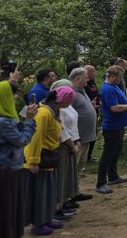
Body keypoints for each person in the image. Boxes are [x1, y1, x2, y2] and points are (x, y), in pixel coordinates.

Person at [24, 84, 76, 236]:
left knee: (49, 192)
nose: (69, 105)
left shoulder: (54, 111)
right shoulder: (44, 114)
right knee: (41, 192)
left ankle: (47, 218)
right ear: (62, 101)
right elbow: (35, 137)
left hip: (50, 157)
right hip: (41, 158)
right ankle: (38, 223)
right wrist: (34, 160)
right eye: (69, 102)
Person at [0, 76, 37, 238]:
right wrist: (30, 120)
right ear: (4, 96)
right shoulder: (3, 122)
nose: (15, 98)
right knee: (7, 211)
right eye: (13, 95)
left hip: (1, 168)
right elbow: (22, 140)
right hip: (7, 171)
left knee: (1, 211)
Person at [97, 65, 127, 194]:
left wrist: (126, 102)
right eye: (118, 78)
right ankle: (101, 182)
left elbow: (119, 102)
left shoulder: (113, 87)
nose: (120, 81)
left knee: (115, 152)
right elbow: (114, 108)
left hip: (118, 125)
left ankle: (113, 176)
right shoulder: (108, 89)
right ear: (112, 76)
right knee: (107, 154)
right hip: (112, 126)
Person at [49, 79, 80, 221]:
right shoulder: (56, 110)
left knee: (67, 175)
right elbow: (61, 129)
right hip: (63, 144)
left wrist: (76, 140)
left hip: (70, 142)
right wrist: (72, 144)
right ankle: (56, 209)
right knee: (60, 177)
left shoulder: (64, 107)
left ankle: (63, 203)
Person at [68, 67, 95, 201]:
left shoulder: (82, 90)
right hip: (78, 137)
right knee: (73, 167)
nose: (88, 79)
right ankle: (69, 195)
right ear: (77, 79)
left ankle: (75, 191)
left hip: (86, 136)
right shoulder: (71, 92)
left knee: (80, 166)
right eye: (85, 77)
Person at [83, 65, 100, 162]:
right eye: (93, 71)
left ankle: (89, 156)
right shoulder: (85, 84)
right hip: (88, 111)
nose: (95, 73)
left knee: (94, 134)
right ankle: (85, 156)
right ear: (87, 72)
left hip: (95, 110)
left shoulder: (92, 82)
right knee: (88, 136)